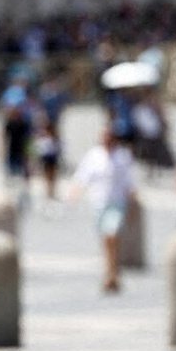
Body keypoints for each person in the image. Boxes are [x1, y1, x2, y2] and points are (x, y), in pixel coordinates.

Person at [69, 125, 135, 293]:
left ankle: (112, 273)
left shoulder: (123, 155)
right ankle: (111, 271)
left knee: (111, 234)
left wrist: (133, 197)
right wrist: (75, 193)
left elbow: (129, 180)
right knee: (105, 238)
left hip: (117, 202)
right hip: (99, 202)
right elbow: (83, 176)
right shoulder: (94, 155)